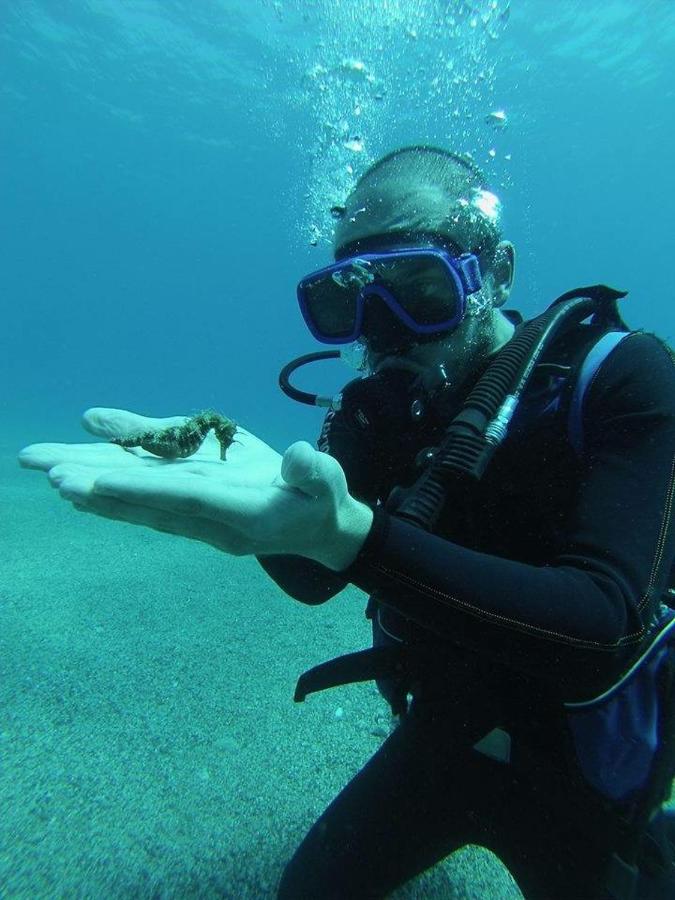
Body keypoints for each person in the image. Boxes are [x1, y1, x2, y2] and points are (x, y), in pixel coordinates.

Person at [20, 146, 675, 899]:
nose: (383, 331)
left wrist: (352, 538)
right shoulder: (374, 414)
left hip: (585, 762)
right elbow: (308, 575)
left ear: (494, 272)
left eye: (420, 289)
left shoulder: (621, 378)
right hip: (441, 730)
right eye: (352, 301)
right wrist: (276, 507)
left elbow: (599, 629)